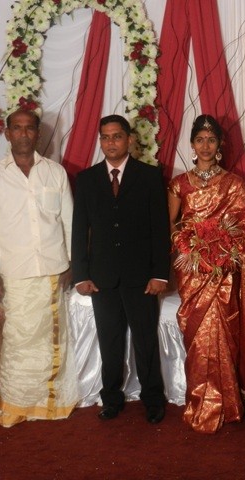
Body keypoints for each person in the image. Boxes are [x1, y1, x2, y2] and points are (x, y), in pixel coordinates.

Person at [168, 114, 245, 434]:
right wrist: (191, 246)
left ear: (220, 145)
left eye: (211, 140)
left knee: (224, 333)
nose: (205, 146)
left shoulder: (234, 184)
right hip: (193, 272)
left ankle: (228, 403)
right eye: (200, 140)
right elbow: (170, 226)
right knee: (197, 337)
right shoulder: (179, 184)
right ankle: (200, 401)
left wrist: (224, 248)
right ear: (191, 145)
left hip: (224, 272)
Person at [0, 108, 78, 427]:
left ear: (38, 133)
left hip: (53, 270)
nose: (23, 134)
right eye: (17, 128)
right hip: (15, 272)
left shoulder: (55, 172)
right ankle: (17, 402)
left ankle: (52, 402)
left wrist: (72, 263)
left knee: (53, 342)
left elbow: (69, 221)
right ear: (7, 133)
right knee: (18, 341)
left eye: (30, 128)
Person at [71, 114, 170, 424]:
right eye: (105, 137)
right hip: (102, 277)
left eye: (116, 136)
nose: (110, 142)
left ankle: (152, 398)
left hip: (141, 277)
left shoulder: (149, 176)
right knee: (109, 341)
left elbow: (160, 229)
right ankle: (111, 398)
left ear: (129, 140)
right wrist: (81, 275)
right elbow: (79, 229)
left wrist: (160, 274)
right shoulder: (87, 179)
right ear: (100, 141)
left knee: (145, 340)